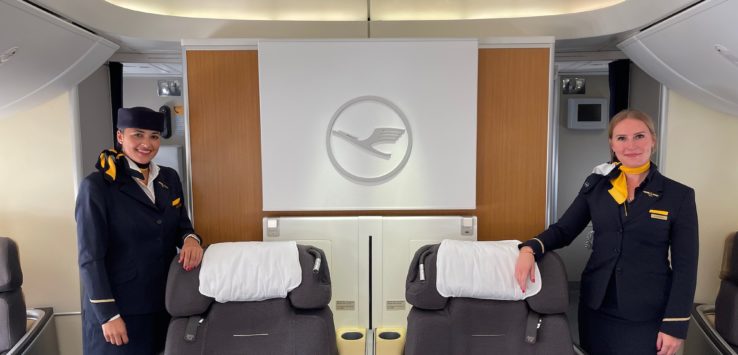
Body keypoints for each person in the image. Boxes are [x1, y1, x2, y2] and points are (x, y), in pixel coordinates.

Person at [515, 109, 698, 355]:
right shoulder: (597, 185)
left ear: (653, 140)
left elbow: (686, 266)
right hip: (597, 306)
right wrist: (530, 247)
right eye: (621, 138)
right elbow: (564, 230)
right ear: (612, 144)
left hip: (647, 312)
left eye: (639, 136)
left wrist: (675, 324)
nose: (630, 145)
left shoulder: (678, 195)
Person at [76, 106, 204, 354]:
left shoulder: (169, 178)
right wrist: (108, 315)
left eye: (154, 136)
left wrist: (190, 240)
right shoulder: (98, 186)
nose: (147, 143)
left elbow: (181, 225)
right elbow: (90, 257)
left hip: (162, 304)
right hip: (119, 311)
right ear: (121, 136)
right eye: (138, 134)